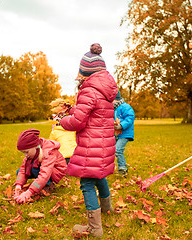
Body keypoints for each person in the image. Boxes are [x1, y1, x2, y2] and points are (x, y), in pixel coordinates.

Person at [60, 43, 117, 238]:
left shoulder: (88, 90)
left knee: (86, 183)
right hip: (103, 144)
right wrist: (72, 109)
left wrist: (62, 120)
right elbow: (93, 113)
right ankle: (107, 209)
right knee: (100, 175)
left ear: (85, 71)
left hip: (92, 144)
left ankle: (95, 229)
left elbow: (78, 122)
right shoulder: (105, 90)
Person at [13, 129, 67, 204]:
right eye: (23, 153)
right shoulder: (33, 152)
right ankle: (40, 184)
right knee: (20, 171)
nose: (26, 155)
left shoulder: (48, 152)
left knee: (36, 171)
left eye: (26, 152)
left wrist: (29, 192)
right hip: (43, 168)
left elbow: (45, 174)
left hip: (55, 171)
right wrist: (18, 185)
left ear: (35, 146)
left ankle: (49, 186)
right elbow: (23, 169)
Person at [49, 98, 77, 164]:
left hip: (63, 158)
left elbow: (50, 145)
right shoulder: (72, 131)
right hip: (75, 156)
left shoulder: (54, 132)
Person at [113, 90, 135, 176]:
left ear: (116, 99)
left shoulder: (125, 107)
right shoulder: (112, 109)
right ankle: (110, 167)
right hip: (115, 134)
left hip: (125, 134)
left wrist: (121, 125)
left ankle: (123, 168)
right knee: (111, 150)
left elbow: (130, 118)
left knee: (118, 150)